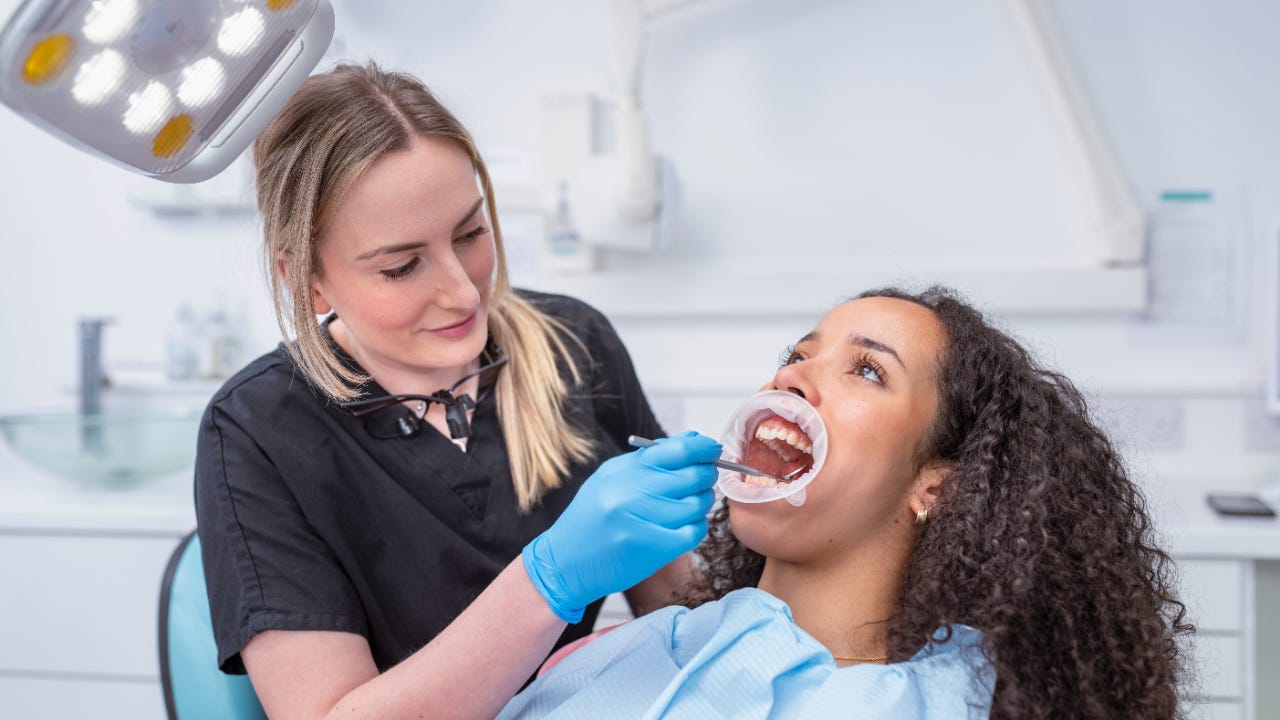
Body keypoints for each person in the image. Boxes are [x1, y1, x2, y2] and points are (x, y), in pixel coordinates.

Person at [194, 61, 723, 720]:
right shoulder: (259, 430)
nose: (464, 290)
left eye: (471, 234)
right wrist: (545, 582)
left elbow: (687, 616)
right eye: (401, 266)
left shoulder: (574, 346)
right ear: (309, 279)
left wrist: (744, 528)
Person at [498, 286, 1192, 720]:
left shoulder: (952, 701)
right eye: (800, 354)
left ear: (940, 485)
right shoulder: (630, 654)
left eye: (866, 369)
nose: (792, 375)